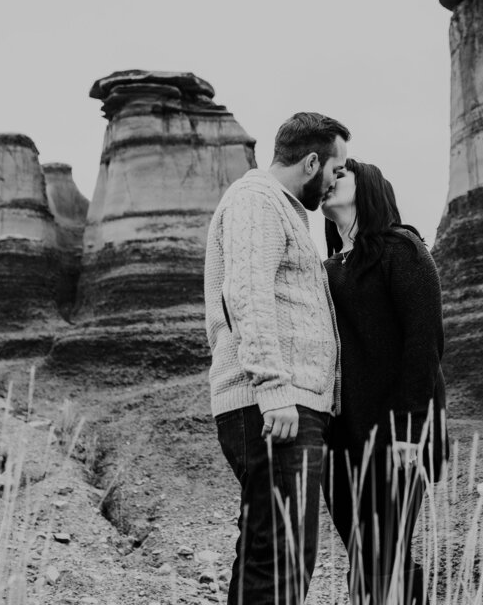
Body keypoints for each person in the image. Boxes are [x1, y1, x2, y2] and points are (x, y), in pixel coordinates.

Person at [204, 112, 350, 605]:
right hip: (275, 408)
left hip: (282, 406)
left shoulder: (277, 207)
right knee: (280, 558)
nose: (335, 182)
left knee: (276, 554)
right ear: (311, 162)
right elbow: (248, 295)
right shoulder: (256, 200)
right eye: (335, 169)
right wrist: (272, 390)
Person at [320, 158, 448, 605]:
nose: (330, 179)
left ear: (369, 187)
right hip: (342, 437)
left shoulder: (403, 249)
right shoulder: (329, 268)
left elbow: (424, 343)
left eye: (342, 173)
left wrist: (410, 431)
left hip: (398, 434)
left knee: (384, 551)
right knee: (364, 553)